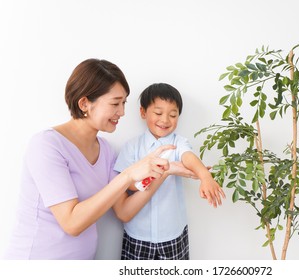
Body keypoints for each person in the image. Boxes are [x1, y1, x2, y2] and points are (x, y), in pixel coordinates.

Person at [3, 59, 194, 260]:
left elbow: (124, 211)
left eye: (123, 103)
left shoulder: (105, 151)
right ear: (84, 103)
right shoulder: (46, 145)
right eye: (115, 103)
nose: (121, 112)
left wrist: (163, 170)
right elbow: (71, 223)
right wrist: (129, 174)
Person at [113, 82, 226, 260]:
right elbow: (129, 186)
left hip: (172, 234)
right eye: (158, 113)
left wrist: (205, 176)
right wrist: (160, 172)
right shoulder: (132, 147)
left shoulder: (178, 143)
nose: (165, 120)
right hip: (138, 236)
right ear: (143, 112)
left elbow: (188, 157)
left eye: (173, 115)